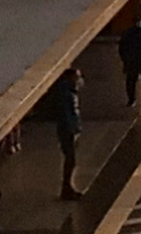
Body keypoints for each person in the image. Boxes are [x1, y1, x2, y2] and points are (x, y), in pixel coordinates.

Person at [51, 68, 82, 201]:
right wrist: (72, 129)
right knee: (70, 158)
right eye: (77, 77)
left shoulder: (70, 91)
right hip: (67, 130)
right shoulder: (65, 93)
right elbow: (66, 113)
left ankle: (68, 186)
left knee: (71, 159)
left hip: (71, 129)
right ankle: (66, 187)